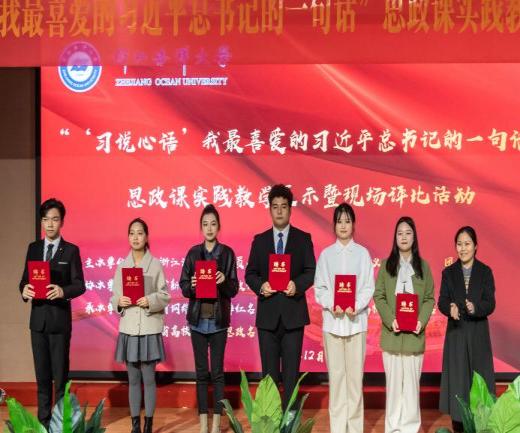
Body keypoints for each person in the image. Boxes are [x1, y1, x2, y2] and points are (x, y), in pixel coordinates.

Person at [245, 184, 316, 408]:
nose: (279, 211)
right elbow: (250, 273)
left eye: (283, 206)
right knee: (269, 377)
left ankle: (290, 422)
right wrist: (261, 286)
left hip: (293, 316)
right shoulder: (260, 240)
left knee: (291, 376)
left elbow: (311, 271)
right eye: (275, 206)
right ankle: (271, 422)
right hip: (268, 318)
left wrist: (297, 285)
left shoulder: (303, 239)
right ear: (269, 209)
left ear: (290, 209)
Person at [19, 198, 86, 429]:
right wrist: (24, 290)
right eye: (46, 219)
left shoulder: (71, 251)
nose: (50, 224)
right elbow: (24, 281)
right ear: (41, 222)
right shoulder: (34, 248)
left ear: (62, 222)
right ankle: (43, 424)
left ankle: (59, 426)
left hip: (59, 323)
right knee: (42, 378)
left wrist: (62, 291)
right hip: (37, 322)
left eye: (55, 219)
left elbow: (79, 285)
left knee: (60, 378)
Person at [314, 203, 375, 433]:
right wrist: (333, 304)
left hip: (356, 324)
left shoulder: (362, 254)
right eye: (339, 221)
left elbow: (368, 287)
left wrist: (355, 306)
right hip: (333, 325)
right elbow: (320, 288)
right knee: (337, 380)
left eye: (347, 221)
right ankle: (338, 428)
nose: (343, 225)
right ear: (334, 225)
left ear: (353, 225)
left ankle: (355, 429)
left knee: (355, 381)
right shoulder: (326, 255)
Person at [180, 204, 239, 433]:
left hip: (218, 322)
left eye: (213, 224)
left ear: (219, 227)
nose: (209, 228)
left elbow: (234, 289)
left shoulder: (227, 254)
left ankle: (216, 425)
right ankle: (203, 424)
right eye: (205, 224)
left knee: (218, 373)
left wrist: (223, 281)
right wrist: (193, 285)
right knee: (201, 373)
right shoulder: (193, 253)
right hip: (197, 322)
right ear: (200, 227)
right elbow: (184, 286)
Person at [373, 216, 435, 433]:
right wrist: (390, 319)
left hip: (414, 338)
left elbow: (429, 298)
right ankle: (392, 428)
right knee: (393, 388)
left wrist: (421, 321)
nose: (404, 237)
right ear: (395, 237)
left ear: (414, 237)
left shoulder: (424, 267)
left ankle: (410, 428)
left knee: (411, 387)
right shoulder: (386, 265)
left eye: (408, 233)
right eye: (400, 233)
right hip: (392, 337)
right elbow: (379, 295)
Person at [111, 218, 170, 433]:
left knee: (149, 379)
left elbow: (165, 296)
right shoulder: (121, 266)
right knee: (133, 380)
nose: (135, 237)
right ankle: (135, 425)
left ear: (146, 237)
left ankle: (148, 424)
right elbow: (114, 297)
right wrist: (119, 301)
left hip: (148, 329)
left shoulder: (155, 265)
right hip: (129, 329)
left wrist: (150, 300)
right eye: (132, 233)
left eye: (140, 233)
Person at [438, 226, 496, 433]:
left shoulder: (485, 272)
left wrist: (476, 308)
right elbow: (442, 300)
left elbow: (490, 303)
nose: (463, 248)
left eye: (467, 244)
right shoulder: (449, 273)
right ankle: (458, 427)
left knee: (479, 382)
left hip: (478, 334)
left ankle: (481, 427)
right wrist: (450, 308)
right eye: (459, 244)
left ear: (475, 246)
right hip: (457, 334)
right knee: (459, 384)